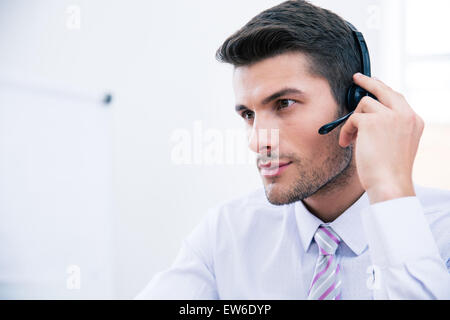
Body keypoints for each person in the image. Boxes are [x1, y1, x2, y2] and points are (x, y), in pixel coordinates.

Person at [136, 0, 450, 299]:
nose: (258, 142)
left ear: (355, 103)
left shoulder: (440, 232)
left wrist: (390, 190)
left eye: (284, 104)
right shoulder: (225, 234)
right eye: (248, 115)